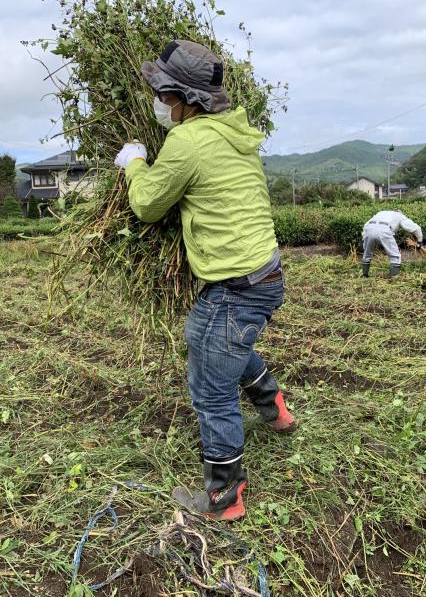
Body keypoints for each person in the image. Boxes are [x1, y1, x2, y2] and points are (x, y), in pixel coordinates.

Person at [114, 39, 294, 521]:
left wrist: (133, 162)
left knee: (209, 385)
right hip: (262, 273)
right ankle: (273, 405)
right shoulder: (235, 134)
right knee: (213, 342)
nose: (160, 103)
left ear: (185, 99)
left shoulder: (188, 140)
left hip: (238, 284)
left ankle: (224, 496)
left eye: (164, 95)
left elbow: (148, 204)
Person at [361, 210, 424, 278]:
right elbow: (416, 228)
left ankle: (364, 275)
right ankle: (394, 277)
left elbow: (365, 225)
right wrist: (419, 242)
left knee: (367, 254)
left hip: (369, 229)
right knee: (395, 256)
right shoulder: (400, 216)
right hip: (384, 230)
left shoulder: (381, 213)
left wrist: (366, 238)